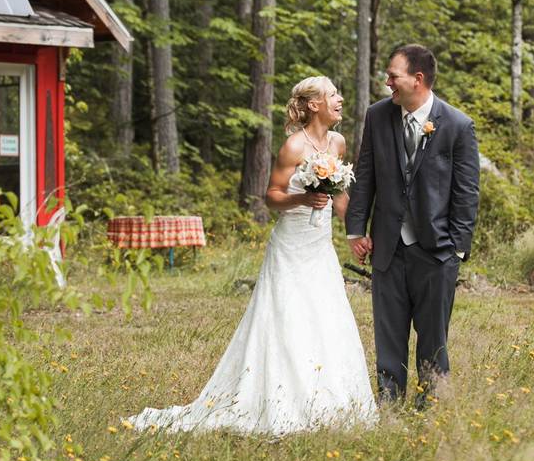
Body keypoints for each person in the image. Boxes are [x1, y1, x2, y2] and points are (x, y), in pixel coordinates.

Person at [129, 76, 378, 435]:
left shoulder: (337, 142)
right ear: (313, 105)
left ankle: (328, 401)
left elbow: (339, 197)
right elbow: (272, 195)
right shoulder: (293, 146)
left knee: (326, 315)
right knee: (288, 317)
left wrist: (356, 233)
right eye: (333, 94)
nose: (340, 99)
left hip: (319, 247)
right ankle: (282, 399)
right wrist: (302, 199)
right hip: (290, 247)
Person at [346, 44, 480, 407]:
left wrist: (456, 247)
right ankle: (389, 404)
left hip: (437, 250)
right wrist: (356, 229)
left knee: (433, 335)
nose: (387, 82)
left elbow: (466, 191)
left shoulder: (457, 125)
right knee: (388, 333)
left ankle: (429, 404)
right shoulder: (378, 116)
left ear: (417, 79)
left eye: (393, 76)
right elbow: (365, 173)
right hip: (388, 247)